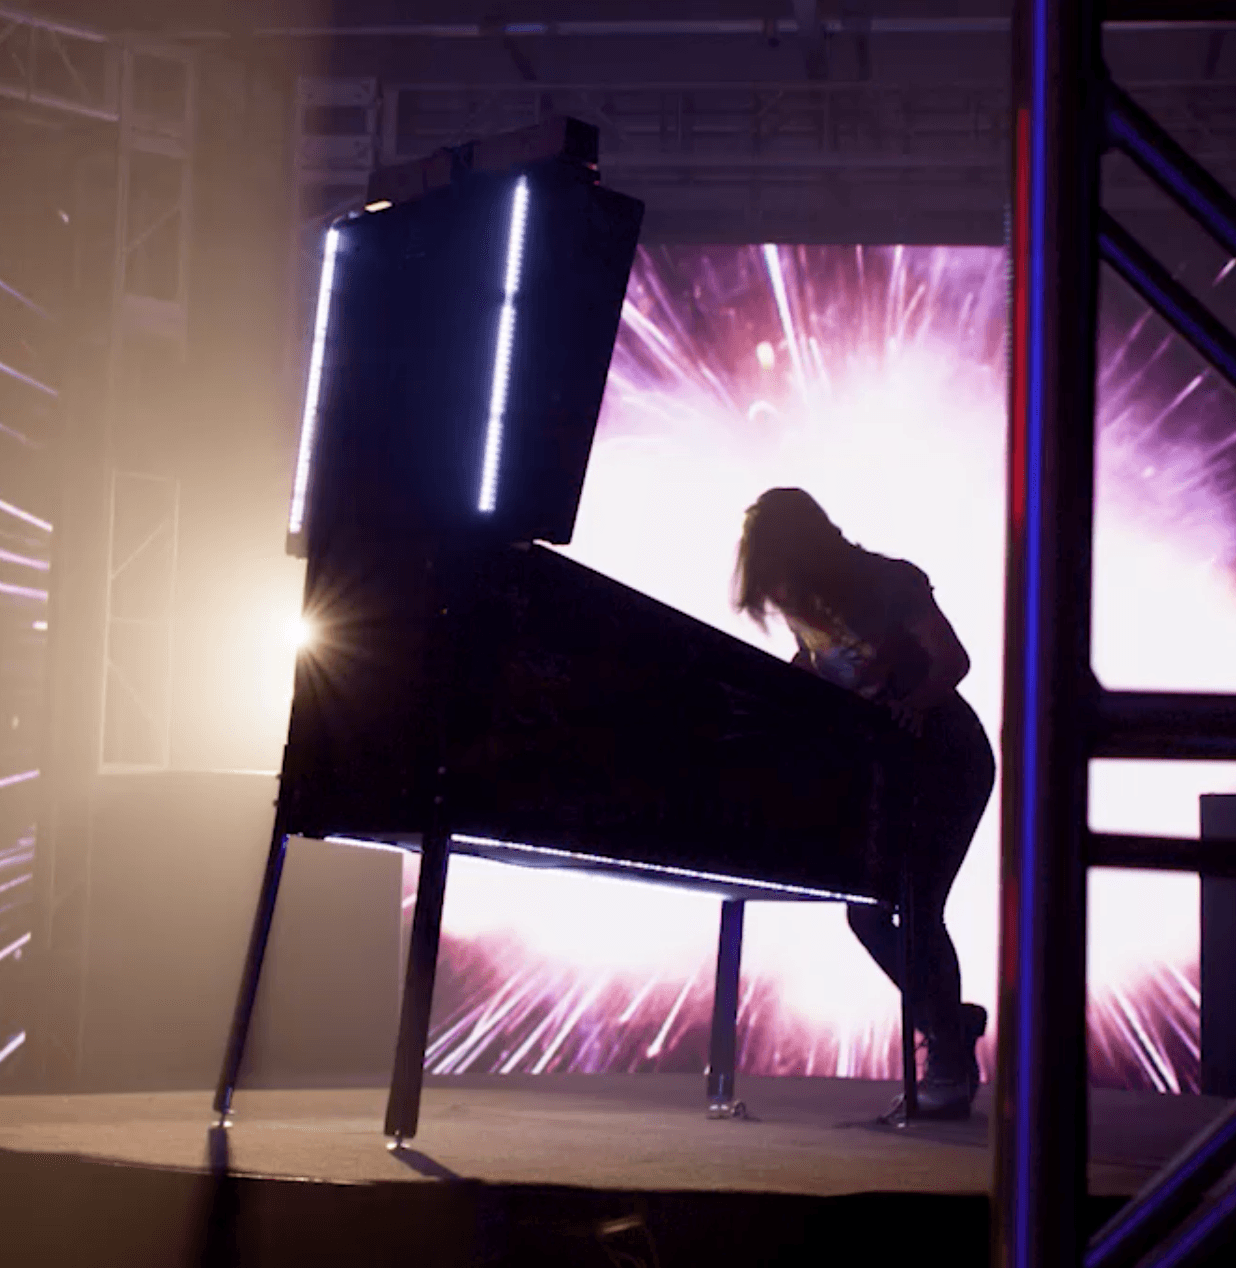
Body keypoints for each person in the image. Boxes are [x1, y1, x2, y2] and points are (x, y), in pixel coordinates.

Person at [733, 487, 996, 1120]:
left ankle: (949, 1059)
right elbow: (822, 665)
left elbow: (954, 660)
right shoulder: (803, 603)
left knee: (917, 904)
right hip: (893, 770)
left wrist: (913, 702)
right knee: (870, 913)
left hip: (948, 759)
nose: (779, 594)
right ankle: (950, 1025)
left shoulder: (888, 582)